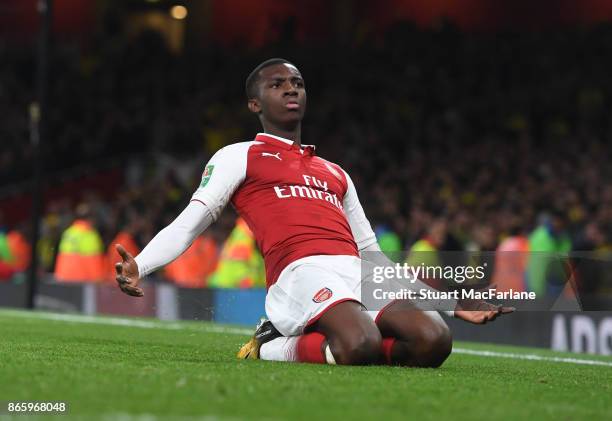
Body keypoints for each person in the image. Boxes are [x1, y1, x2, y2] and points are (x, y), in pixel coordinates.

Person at [114, 59, 513, 367]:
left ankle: (350, 343)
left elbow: (374, 259)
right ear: (255, 103)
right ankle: (271, 344)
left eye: (298, 84)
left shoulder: (335, 172)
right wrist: (142, 266)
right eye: (278, 84)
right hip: (300, 271)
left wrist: (453, 303)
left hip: (354, 272)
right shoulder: (239, 156)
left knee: (433, 340)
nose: (291, 89)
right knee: (359, 344)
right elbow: (189, 223)